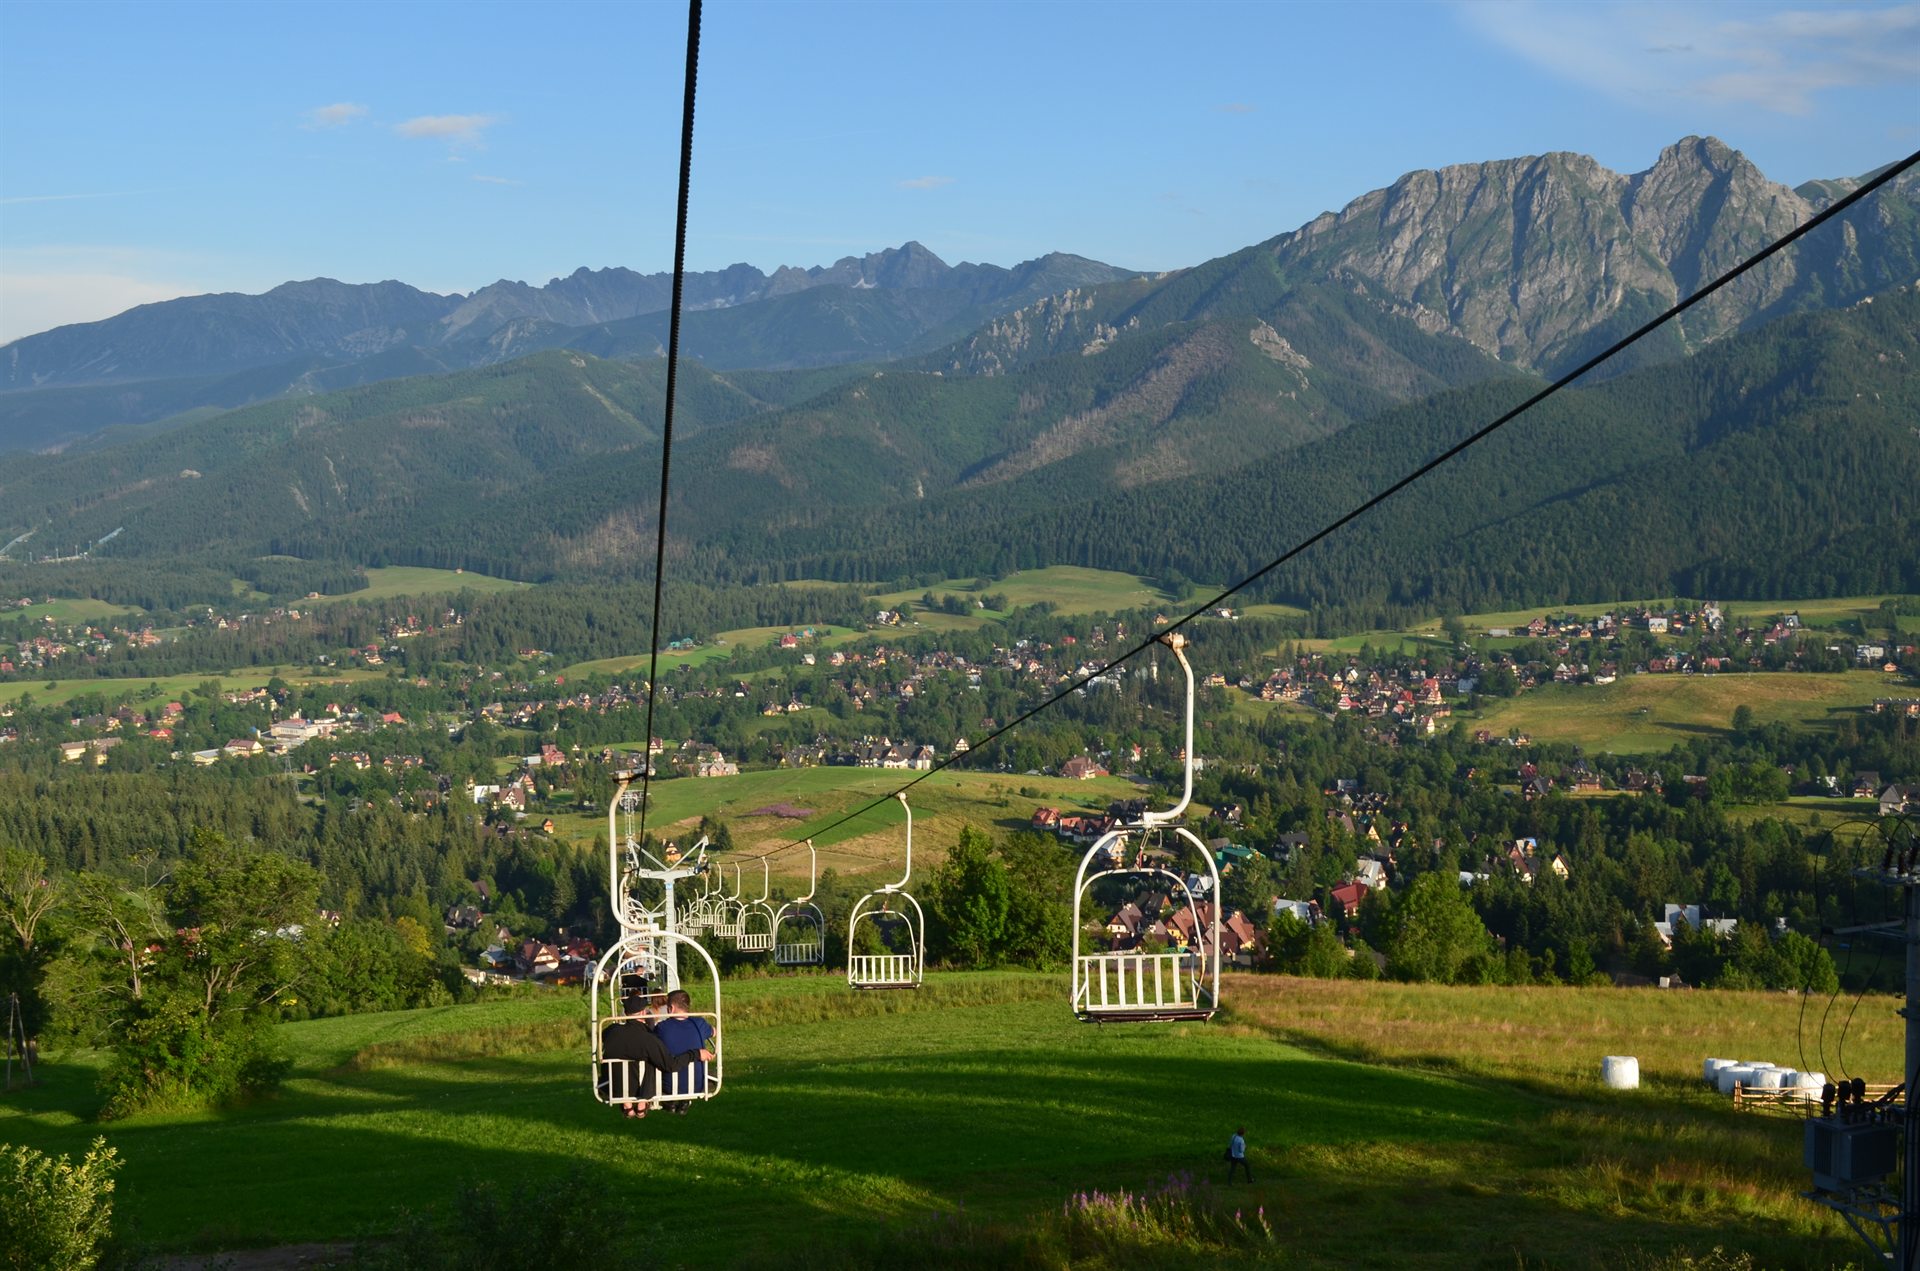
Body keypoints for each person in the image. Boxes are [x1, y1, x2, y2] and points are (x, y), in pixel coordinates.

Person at [652, 988, 716, 1112]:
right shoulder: (699, 1024)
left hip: (669, 1085)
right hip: (697, 1085)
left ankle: (671, 1102)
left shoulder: (661, 1028)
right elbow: (714, 1032)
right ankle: (684, 1101)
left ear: (671, 1008)